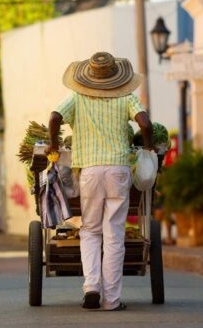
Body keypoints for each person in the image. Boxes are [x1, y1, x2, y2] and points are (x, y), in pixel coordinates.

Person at [47, 51, 154, 312]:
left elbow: (54, 117)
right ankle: (111, 301)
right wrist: (148, 150)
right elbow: (146, 124)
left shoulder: (77, 97)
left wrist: (52, 144)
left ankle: (92, 287)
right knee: (114, 235)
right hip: (118, 170)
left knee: (91, 231)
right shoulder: (126, 97)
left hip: (91, 172)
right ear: (116, 78)